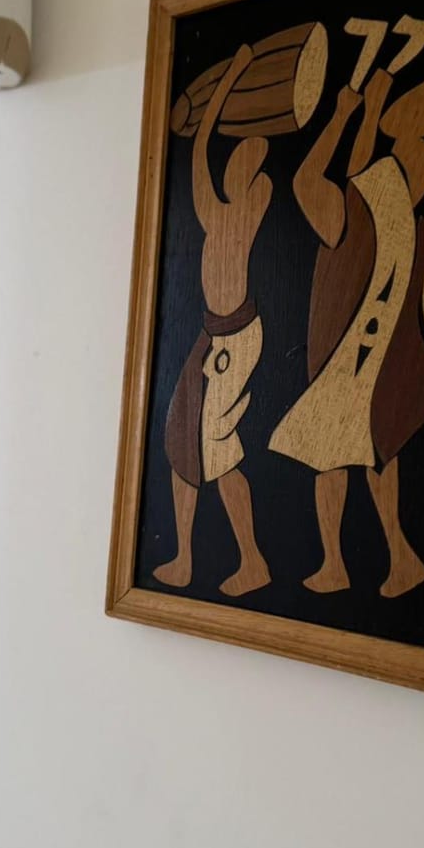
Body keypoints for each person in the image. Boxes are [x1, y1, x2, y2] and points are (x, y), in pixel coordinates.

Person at [269, 48, 424, 598]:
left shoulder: (370, 216)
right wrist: (365, 110)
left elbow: (312, 179)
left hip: (355, 358)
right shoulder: (410, 225)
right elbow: (361, 177)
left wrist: (349, 113)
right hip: (368, 359)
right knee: (364, 452)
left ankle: (368, 560)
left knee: (346, 453)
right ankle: (385, 559)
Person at [153, 45, 272, 597]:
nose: (238, 160)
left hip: (231, 338)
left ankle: (252, 560)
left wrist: (230, 78)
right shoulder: (229, 209)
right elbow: (203, 152)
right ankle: (185, 556)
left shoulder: (239, 210)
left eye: (248, 156)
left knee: (215, 450)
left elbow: (201, 152)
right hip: (215, 334)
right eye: (240, 154)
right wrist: (230, 78)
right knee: (184, 439)